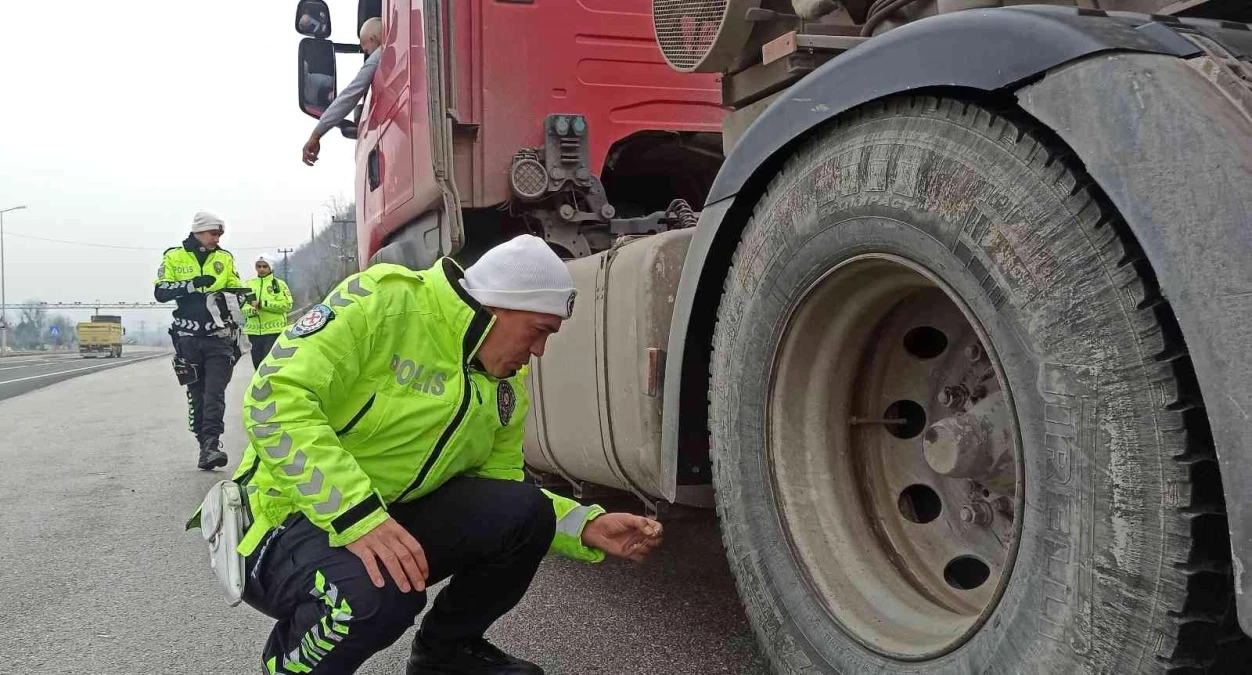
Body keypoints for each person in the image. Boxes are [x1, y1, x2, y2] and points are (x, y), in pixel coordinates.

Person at [215, 235, 662, 674]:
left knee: (523, 512)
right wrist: (356, 514)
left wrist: (586, 525)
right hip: (279, 521)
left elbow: (498, 497)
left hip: (381, 517)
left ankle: (447, 656)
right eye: (538, 331)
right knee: (376, 596)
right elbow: (275, 399)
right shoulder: (384, 302)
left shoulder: (504, 390)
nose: (539, 351)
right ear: (498, 307)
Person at [154, 212, 245, 471]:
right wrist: (192, 285)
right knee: (197, 394)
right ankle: (203, 442)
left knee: (216, 391)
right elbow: (161, 292)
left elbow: (236, 289)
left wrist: (237, 300)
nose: (217, 239)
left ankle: (212, 444)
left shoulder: (225, 258)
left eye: (220, 235)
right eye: (213, 234)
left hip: (219, 336)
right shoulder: (173, 256)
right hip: (187, 338)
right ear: (198, 232)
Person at [302, 17, 384, 166]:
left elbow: (350, 95)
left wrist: (316, 135)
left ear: (373, 39)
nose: (369, 55)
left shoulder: (381, 54)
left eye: (366, 51)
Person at [242, 253, 294, 369]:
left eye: (265, 266)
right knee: (258, 365)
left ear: (271, 268)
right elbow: (242, 307)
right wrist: (252, 311)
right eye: (259, 266)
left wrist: (264, 304)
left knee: (270, 365)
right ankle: (260, 386)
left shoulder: (279, 284)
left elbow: (287, 305)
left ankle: (273, 386)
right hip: (254, 332)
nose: (261, 269)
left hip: (273, 331)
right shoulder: (249, 284)